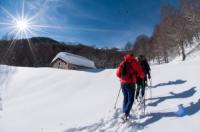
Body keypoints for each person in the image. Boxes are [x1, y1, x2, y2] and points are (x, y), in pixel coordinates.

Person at [116, 53, 144, 121]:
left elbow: (117, 74)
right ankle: (126, 113)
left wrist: (123, 78)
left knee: (125, 98)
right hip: (130, 83)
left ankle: (124, 112)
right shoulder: (134, 62)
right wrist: (142, 76)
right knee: (131, 99)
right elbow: (140, 72)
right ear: (133, 57)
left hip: (123, 83)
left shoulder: (123, 62)